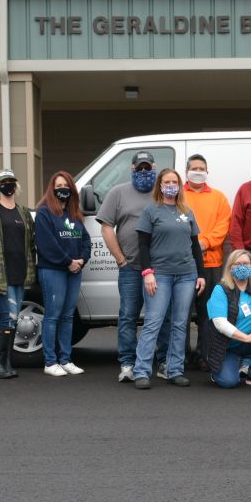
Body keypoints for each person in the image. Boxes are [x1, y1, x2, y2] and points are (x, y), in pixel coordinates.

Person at [132, 168, 206, 389]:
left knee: (180, 324)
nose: (171, 185)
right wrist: (148, 273)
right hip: (160, 274)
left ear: (179, 185)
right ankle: (141, 371)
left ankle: (175, 370)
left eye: (175, 182)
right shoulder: (151, 210)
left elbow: (195, 245)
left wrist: (201, 274)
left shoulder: (186, 211)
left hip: (186, 275)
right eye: (167, 182)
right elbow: (142, 245)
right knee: (153, 322)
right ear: (160, 185)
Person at [97, 150, 164, 382]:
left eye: (148, 168)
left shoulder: (162, 192)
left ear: (154, 168)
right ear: (132, 169)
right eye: (140, 168)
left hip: (159, 269)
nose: (144, 172)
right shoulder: (118, 193)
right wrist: (120, 259)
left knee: (161, 316)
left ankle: (163, 361)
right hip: (130, 268)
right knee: (128, 316)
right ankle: (127, 363)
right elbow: (106, 227)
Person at [0, 168, 36, 380]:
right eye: (3, 182)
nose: (8, 185)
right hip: (0, 275)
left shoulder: (23, 212)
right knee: (7, 316)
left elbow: (30, 243)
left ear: (16, 184)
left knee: (13, 319)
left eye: (11, 181)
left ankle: (7, 362)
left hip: (20, 273)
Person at [35, 170, 92, 377]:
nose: (62, 189)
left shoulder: (74, 213)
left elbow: (86, 241)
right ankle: (50, 362)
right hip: (53, 271)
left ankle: (66, 359)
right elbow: (46, 245)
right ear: (52, 189)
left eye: (66, 186)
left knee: (68, 316)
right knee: (53, 316)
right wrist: (68, 262)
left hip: (74, 271)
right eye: (58, 186)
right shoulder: (44, 213)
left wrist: (81, 260)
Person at [204, 249, 251, 389]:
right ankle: (218, 371)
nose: (242, 267)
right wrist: (247, 338)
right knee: (229, 382)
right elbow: (220, 323)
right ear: (230, 267)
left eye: (246, 263)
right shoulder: (220, 289)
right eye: (237, 264)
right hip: (227, 346)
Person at [183, 154, 232, 369]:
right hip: (183, 263)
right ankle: (181, 356)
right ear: (186, 171)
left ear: (207, 171)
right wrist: (191, 245)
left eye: (201, 168)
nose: (198, 171)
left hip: (212, 263)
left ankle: (205, 355)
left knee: (207, 313)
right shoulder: (178, 195)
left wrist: (204, 243)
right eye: (194, 168)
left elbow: (223, 226)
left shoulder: (218, 197)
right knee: (181, 314)